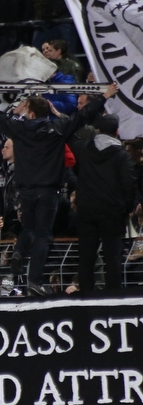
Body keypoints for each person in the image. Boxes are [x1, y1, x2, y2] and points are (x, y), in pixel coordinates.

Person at [0, 80, 117, 295]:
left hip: (25, 190)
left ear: (32, 114)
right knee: (43, 236)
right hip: (48, 191)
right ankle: (34, 280)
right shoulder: (58, 127)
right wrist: (105, 95)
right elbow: (84, 115)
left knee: (29, 230)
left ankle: (18, 252)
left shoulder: (18, 128)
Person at [67, 114, 136, 294]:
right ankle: (112, 296)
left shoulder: (84, 149)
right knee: (112, 256)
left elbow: (69, 135)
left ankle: (86, 296)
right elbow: (129, 184)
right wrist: (126, 208)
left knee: (86, 257)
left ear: (97, 130)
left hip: (87, 212)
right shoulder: (122, 155)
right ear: (117, 131)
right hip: (112, 214)